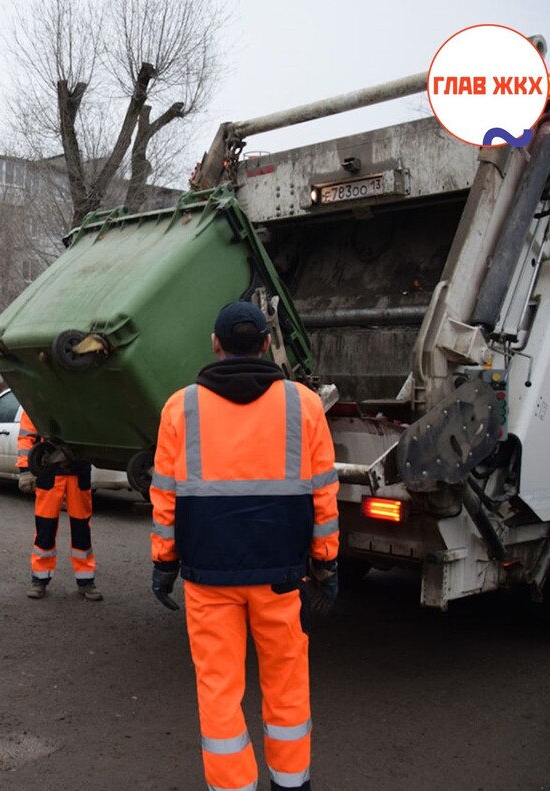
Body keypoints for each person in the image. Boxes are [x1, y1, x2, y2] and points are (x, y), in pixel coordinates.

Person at [149, 301, 339, 791]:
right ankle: (291, 782)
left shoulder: (180, 407)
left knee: (218, 690)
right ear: (266, 344)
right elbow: (323, 495)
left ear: (215, 344)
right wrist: (326, 563)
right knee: (287, 685)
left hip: (208, 577)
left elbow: (165, 499)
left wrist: (163, 562)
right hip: (281, 575)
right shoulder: (304, 404)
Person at [17, 409, 102, 601]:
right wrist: (25, 469)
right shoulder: (37, 399)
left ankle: (86, 580)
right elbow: (26, 435)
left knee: (81, 528)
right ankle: (39, 579)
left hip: (78, 471)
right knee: (45, 528)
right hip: (49, 472)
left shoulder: (79, 400)